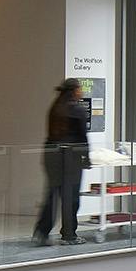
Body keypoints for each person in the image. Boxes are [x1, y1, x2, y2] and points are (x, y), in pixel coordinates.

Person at [31, 78, 92, 245]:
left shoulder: (55, 107)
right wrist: (86, 159)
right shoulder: (77, 110)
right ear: (74, 91)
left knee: (52, 195)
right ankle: (69, 234)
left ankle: (42, 232)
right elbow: (82, 138)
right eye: (80, 89)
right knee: (71, 197)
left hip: (51, 155)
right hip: (70, 158)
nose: (82, 92)